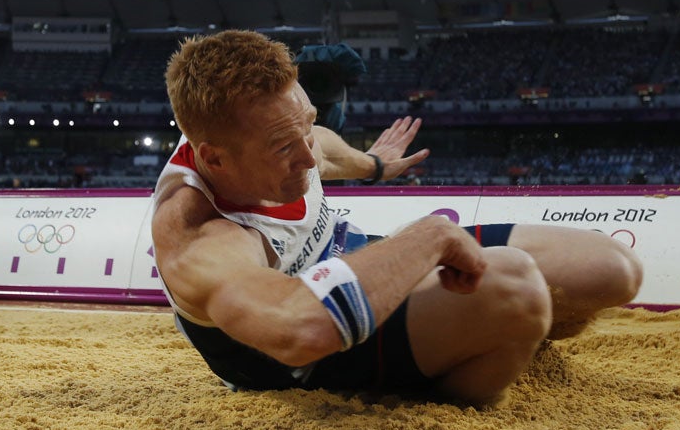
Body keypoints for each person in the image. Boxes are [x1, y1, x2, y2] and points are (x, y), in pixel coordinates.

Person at [152, 29, 642, 405]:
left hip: (355, 260)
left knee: (611, 269)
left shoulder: (261, 135)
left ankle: (477, 339)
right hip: (318, 356)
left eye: (305, 124)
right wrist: (428, 235)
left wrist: (376, 164)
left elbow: (322, 147)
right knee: (516, 288)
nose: (306, 157)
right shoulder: (202, 239)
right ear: (213, 159)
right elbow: (300, 329)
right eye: (284, 146)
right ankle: (440, 383)